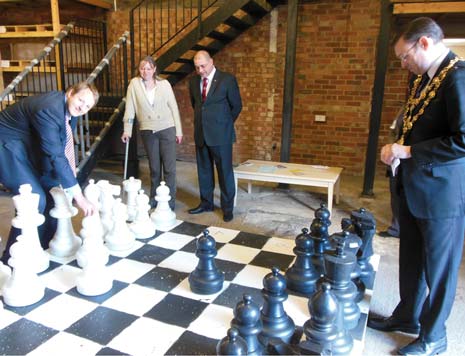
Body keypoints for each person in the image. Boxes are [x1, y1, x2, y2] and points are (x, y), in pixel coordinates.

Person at [368, 17, 465, 356]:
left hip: (441, 194)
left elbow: (463, 139)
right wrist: (396, 146)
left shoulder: (458, 78)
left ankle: (435, 336)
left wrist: (408, 150)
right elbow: (415, 125)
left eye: (404, 56)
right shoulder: (422, 78)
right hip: (412, 184)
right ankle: (408, 315)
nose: (403, 64)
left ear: (424, 43)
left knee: (439, 267)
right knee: (410, 257)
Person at [0, 81, 99, 263]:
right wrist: (79, 196)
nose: (83, 107)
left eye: (88, 106)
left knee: (53, 192)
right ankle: (13, 260)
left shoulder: (70, 110)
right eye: (81, 101)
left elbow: (61, 144)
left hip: (27, 144)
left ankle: (43, 247)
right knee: (33, 199)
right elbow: (56, 155)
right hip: (6, 145)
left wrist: (67, 179)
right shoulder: (49, 109)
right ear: (70, 93)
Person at [121, 56, 183, 210]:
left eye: (149, 68)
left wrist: (179, 131)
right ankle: (154, 197)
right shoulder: (134, 85)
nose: (145, 71)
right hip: (148, 130)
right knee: (154, 168)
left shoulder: (164, 84)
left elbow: (174, 107)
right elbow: (129, 108)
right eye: (142, 68)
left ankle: (170, 200)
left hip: (167, 128)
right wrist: (127, 130)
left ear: (154, 69)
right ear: (139, 70)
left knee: (169, 168)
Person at [188, 50, 242, 222]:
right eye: (197, 67)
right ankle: (206, 203)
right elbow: (196, 105)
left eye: (203, 66)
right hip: (201, 133)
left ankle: (227, 208)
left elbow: (237, 106)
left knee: (224, 172)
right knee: (204, 171)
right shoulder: (194, 81)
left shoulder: (227, 79)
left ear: (211, 62)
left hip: (221, 135)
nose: (200, 71)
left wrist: (224, 124)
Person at [378, 109, 403, 238]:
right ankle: (396, 228)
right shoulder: (403, 110)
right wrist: (392, 147)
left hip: (414, 159)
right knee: (395, 194)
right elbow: (393, 131)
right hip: (396, 160)